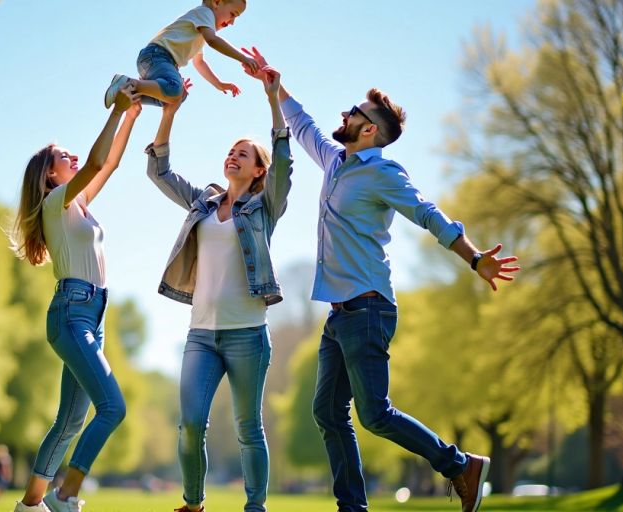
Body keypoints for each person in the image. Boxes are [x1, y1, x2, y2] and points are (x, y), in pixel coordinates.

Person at [241, 48, 520, 512]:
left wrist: (473, 258)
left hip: (368, 308)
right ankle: (352, 507)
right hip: (340, 313)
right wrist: (274, 86)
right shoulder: (334, 161)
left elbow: (427, 213)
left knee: (373, 413)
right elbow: (304, 125)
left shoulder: (383, 173)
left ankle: (459, 465)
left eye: (355, 112)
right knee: (327, 413)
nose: (345, 113)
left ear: (369, 129)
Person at [145, 68, 292, 512]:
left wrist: (272, 101)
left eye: (243, 154)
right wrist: (169, 111)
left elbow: (285, 164)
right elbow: (159, 169)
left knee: (249, 427)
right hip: (201, 335)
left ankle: (255, 508)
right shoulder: (202, 203)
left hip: (248, 334)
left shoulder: (265, 206)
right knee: (190, 423)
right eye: (231, 151)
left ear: (258, 169)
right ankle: (194, 504)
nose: (233, 156)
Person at [9, 87, 140, 512]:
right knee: (112, 407)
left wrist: (132, 117)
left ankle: (31, 504)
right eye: (64, 156)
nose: (73, 158)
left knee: (69, 421)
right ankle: (66, 495)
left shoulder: (77, 202)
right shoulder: (55, 202)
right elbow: (99, 160)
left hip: (91, 315)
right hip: (71, 313)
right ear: (49, 174)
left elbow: (111, 163)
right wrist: (115, 109)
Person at [103, 0, 259, 109]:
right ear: (217, 2)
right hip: (157, 56)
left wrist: (219, 84)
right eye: (233, 14)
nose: (232, 22)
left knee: (176, 98)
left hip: (157, 62)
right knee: (175, 87)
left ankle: (128, 95)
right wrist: (243, 58)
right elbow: (213, 41)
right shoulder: (205, 13)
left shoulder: (199, 32)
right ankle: (127, 83)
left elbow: (199, 63)